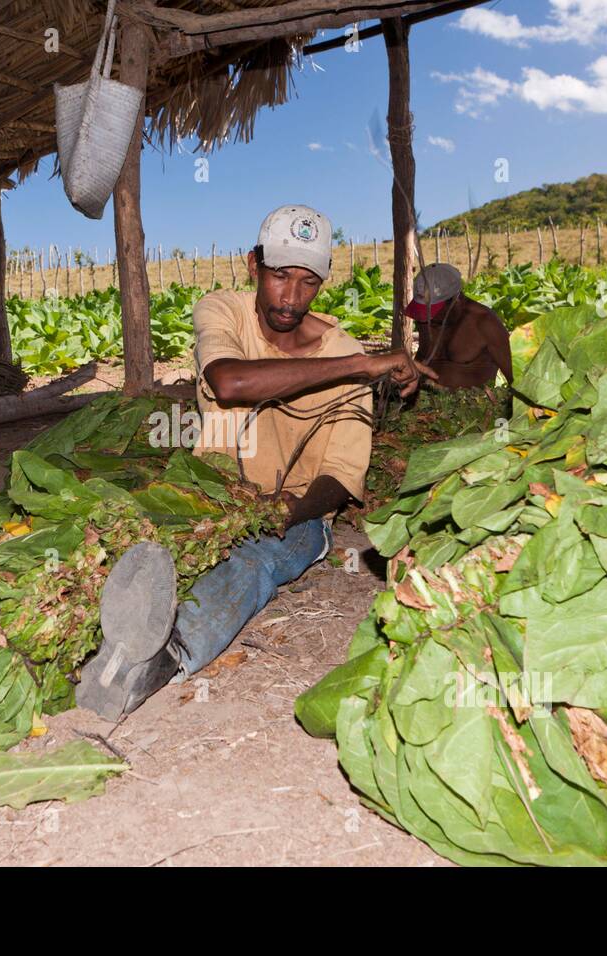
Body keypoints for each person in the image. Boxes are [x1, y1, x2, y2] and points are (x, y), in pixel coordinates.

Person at [75, 205, 434, 720]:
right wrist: (360, 366)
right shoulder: (224, 311)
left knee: (255, 559)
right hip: (208, 491)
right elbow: (228, 381)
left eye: (308, 281)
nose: (291, 296)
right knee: (129, 537)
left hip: (297, 515)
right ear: (253, 266)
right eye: (280, 276)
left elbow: (340, 476)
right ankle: (88, 640)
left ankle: (160, 660)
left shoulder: (342, 349)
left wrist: (284, 512)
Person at [405, 263, 513, 389]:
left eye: (433, 311)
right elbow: (423, 356)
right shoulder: (425, 321)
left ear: (456, 301)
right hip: (425, 400)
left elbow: (516, 378)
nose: (428, 318)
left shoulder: (485, 323)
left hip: (473, 405)